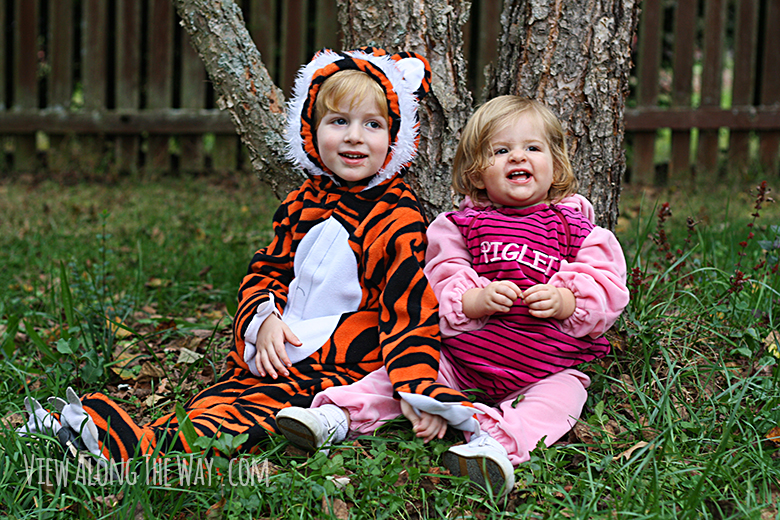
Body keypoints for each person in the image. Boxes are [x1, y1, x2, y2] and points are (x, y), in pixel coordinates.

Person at [16, 47, 476, 463]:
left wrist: (417, 387)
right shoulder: (301, 203)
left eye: (372, 125)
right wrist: (264, 318)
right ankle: (86, 431)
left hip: (336, 365)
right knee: (219, 398)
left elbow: (409, 305)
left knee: (247, 417)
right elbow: (267, 270)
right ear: (311, 131)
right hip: (280, 344)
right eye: (339, 122)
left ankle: (133, 448)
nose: (355, 138)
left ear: (394, 138)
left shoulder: (394, 216)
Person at [276, 96, 630, 496]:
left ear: (556, 165)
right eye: (501, 151)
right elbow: (440, 278)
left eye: (533, 148)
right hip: (460, 360)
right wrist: (473, 300)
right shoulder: (460, 226)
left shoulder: (579, 228)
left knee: (562, 400)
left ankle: (494, 447)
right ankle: (336, 414)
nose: (519, 158)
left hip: (545, 368)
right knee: (402, 376)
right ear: (477, 174)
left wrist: (567, 301)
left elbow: (607, 288)